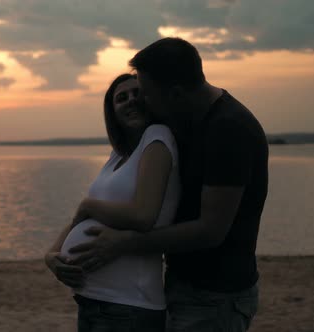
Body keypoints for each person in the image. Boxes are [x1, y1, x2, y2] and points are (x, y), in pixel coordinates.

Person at [68, 38, 269, 332]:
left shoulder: (229, 129)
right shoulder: (186, 120)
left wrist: (125, 244)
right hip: (181, 284)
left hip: (217, 295)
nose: (142, 102)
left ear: (175, 93)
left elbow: (210, 230)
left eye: (146, 94)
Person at [44, 73, 181, 332]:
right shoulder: (118, 154)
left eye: (137, 94)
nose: (130, 101)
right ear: (112, 111)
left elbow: (143, 215)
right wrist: (52, 255)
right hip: (91, 301)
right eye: (121, 98)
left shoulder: (158, 135)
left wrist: (87, 206)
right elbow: (84, 217)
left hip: (129, 305)